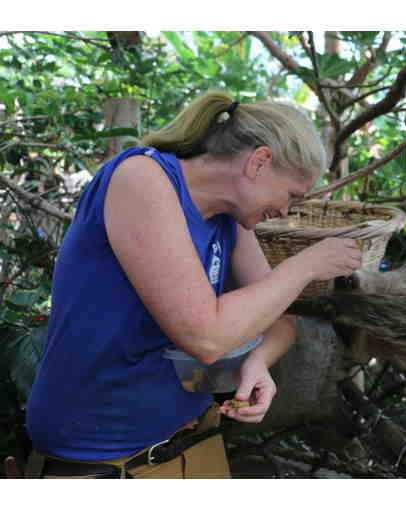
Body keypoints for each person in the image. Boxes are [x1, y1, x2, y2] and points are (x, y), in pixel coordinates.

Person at [24, 90, 362, 478]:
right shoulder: (141, 177)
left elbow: (280, 320)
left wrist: (258, 360)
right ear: (259, 162)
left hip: (193, 439)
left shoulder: (230, 219)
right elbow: (205, 336)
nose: (285, 211)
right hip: (105, 458)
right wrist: (305, 266)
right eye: (291, 195)